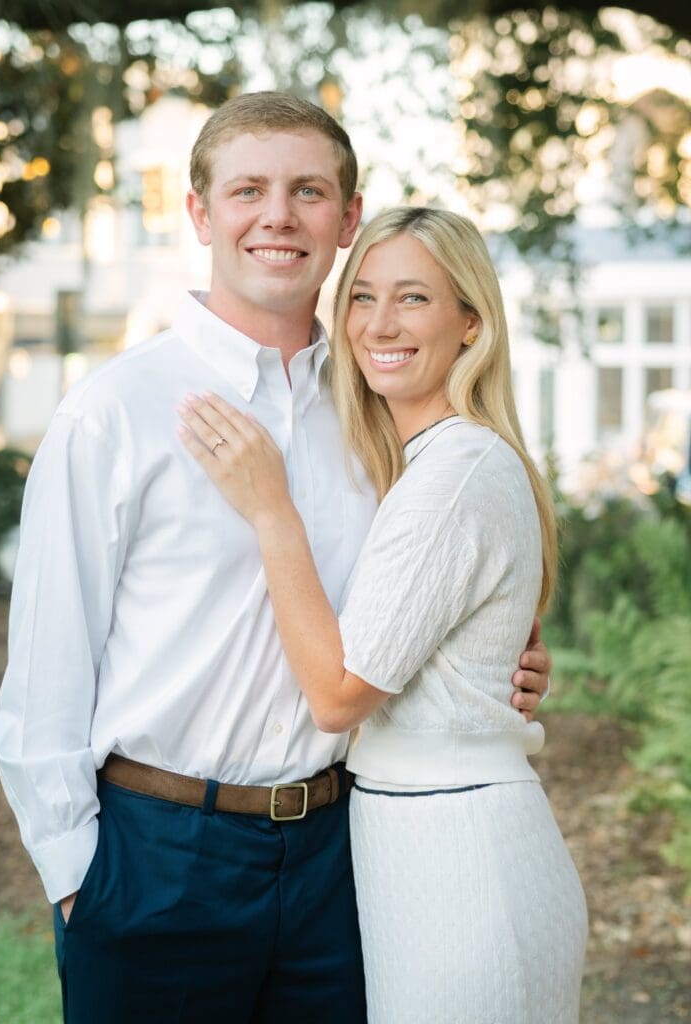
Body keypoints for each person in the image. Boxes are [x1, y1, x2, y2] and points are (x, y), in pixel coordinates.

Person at [0, 93, 551, 1024]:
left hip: (347, 853)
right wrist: (77, 879)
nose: (279, 216)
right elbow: (49, 663)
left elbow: (429, 594)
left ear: (348, 217)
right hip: (159, 855)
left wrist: (500, 665)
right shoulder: (119, 409)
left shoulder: (381, 403)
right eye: (248, 189)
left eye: (309, 191)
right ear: (202, 213)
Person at [178, 205, 587, 1024]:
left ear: (472, 323)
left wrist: (272, 512)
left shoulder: (453, 475)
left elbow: (336, 695)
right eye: (361, 297)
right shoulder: (429, 463)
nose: (379, 324)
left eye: (414, 299)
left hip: (464, 863)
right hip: (417, 846)